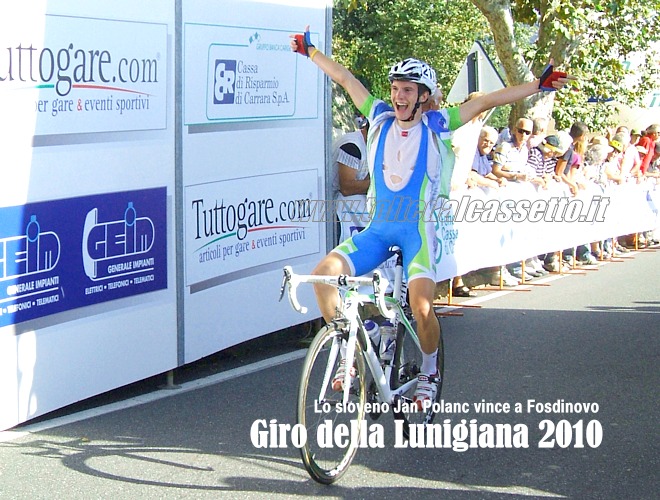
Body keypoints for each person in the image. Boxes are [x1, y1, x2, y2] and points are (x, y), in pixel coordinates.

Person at [290, 26, 574, 409]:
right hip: (378, 229)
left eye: (407, 90)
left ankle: (428, 370)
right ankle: (357, 343)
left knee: (421, 305)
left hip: (418, 232)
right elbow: (345, 78)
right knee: (324, 276)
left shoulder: (438, 124)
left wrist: (536, 86)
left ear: (424, 96)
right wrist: (311, 52)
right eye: (395, 88)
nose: (398, 96)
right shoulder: (379, 116)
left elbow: (489, 99)